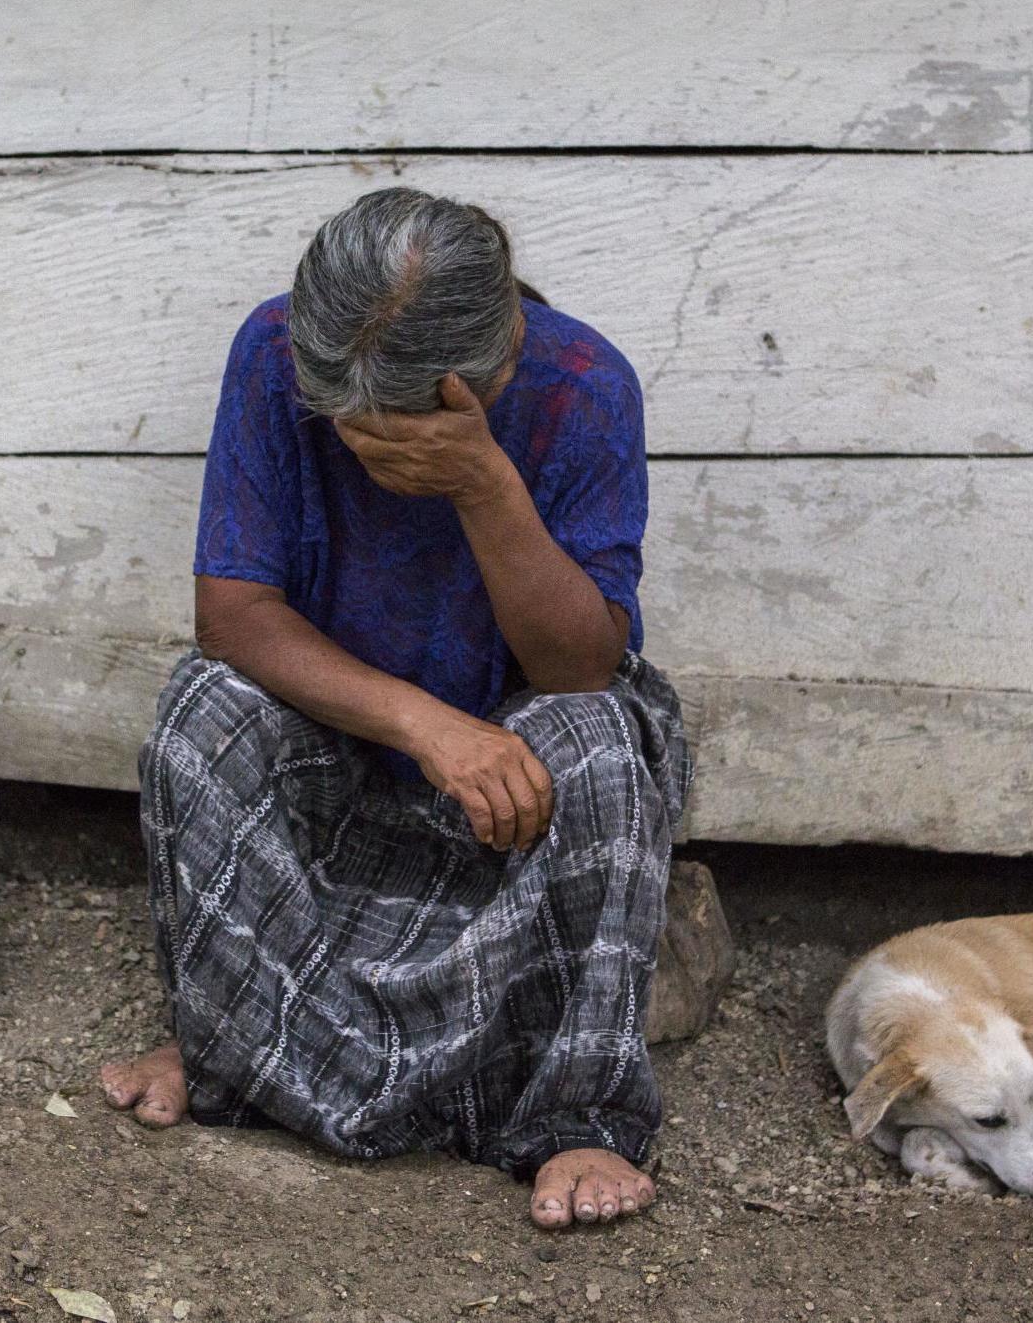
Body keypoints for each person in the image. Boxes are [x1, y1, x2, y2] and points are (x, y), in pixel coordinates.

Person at [101, 188, 691, 1230]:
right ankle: (232, 1053)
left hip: (514, 761)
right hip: (349, 740)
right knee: (204, 712)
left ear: (494, 364)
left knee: (603, 742)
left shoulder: (583, 385)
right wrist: (424, 723)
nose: (366, 436)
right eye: (348, 414)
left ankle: (574, 1115)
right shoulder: (271, 351)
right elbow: (233, 616)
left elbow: (581, 667)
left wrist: (485, 487)